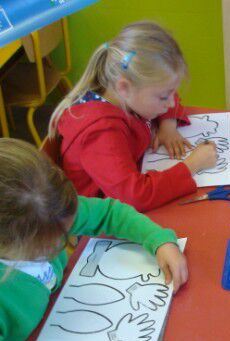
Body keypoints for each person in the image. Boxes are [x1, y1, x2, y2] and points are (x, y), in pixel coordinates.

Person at [0, 138, 189, 341]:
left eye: (67, 234)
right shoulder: (29, 222)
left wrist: (158, 240)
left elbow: (109, 213)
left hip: (52, 323)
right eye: (49, 248)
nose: (63, 244)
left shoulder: (45, 210)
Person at [48, 21, 217, 212]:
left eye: (171, 93)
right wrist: (192, 165)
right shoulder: (100, 132)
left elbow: (166, 91)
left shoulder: (123, 93)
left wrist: (167, 126)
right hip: (97, 220)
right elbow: (134, 196)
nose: (171, 103)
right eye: (164, 97)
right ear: (124, 87)